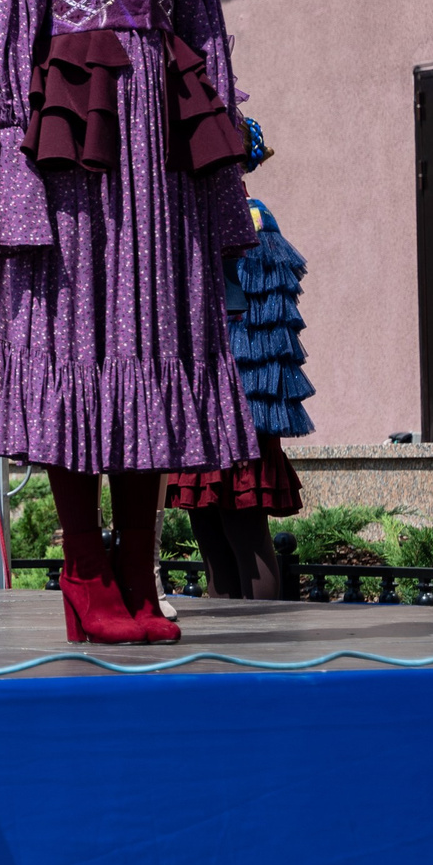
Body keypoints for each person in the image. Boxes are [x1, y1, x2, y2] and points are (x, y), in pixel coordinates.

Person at [0, 0, 257, 646]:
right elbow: (6, 30)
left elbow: (203, 21)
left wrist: (221, 138)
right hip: (73, 146)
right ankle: (85, 571)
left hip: (160, 147)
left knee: (154, 335)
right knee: (75, 336)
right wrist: (10, 153)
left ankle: (139, 568)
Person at [170, 118, 313, 599]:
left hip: (238, 403)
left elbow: (265, 327)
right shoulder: (188, 218)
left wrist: (241, 405)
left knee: (244, 534)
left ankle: (262, 640)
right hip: (200, 400)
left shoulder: (251, 219)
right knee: (210, 537)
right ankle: (225, 640)